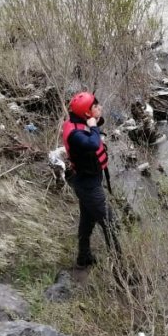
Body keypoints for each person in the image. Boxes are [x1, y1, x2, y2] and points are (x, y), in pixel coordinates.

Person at [60, 91, 121, 268]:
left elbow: (95, 125)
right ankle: (121, 271)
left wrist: (94, 120)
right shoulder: (75, 134)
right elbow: (93, 143)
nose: (100, 107)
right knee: (111, 225)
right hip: (87, 186)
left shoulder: (78, 120)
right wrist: (93, 126)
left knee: (87, 221)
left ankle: (84, 258)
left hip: (88, 181)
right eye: (95, 106)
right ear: (87, 113)